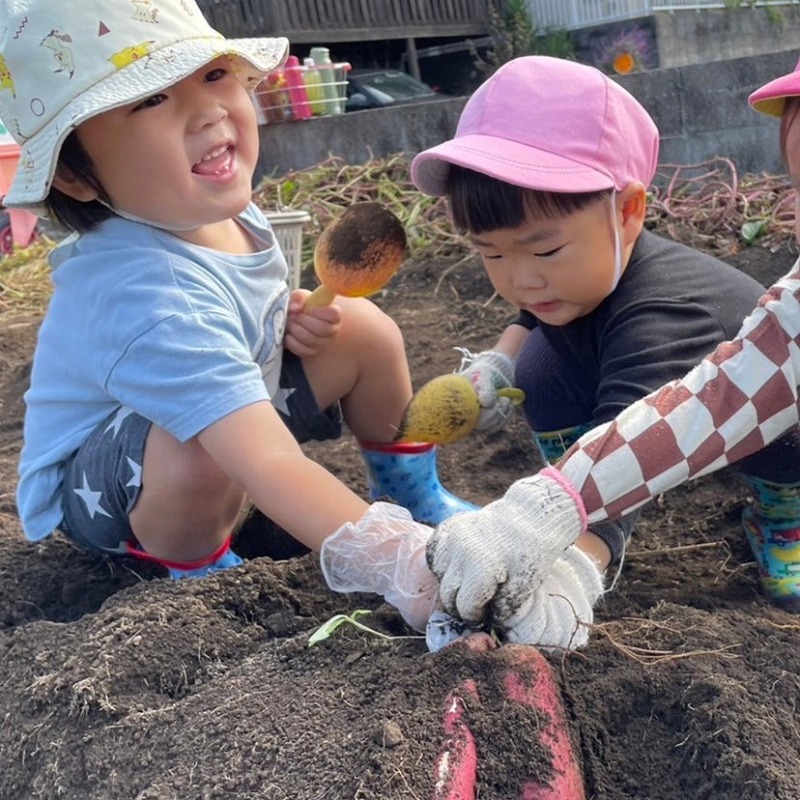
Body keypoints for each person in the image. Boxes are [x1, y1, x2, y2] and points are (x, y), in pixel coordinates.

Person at [4, 0, 471, 631]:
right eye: (150, 101)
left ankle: (411, 496)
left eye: (214, 75)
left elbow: (237, 322)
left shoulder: (223, 211)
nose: (207, 110)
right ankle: (200, 568)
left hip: (227, 416)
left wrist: (283, 320)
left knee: (364, 331)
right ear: (77, 178)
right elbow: (268, 462)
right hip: (112, 495)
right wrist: (407, 571)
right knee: (196, 444)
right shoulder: (145, 294)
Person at [410, 56, 800, 648]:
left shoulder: (668, 313)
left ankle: (786, 517)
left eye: (542, 252)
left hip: (772, 428)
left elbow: (648, 434)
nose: (519, 279)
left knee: (784, 460)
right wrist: (495, 366)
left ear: (627, 211)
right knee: (538, 365)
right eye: (491, 254)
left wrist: (573, 566)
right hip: (681, 409)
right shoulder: (579, 276)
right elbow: (525, 321)